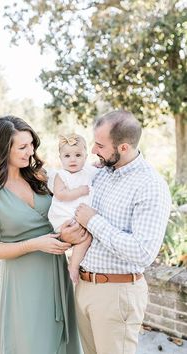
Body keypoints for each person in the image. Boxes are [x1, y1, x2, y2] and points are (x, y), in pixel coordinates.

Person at [0, 116, 82, 354]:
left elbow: (60, 216)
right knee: (32, 343)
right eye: (22, 147)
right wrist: (34, 244)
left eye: (31, 144)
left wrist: (65, 236)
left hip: (56, 270)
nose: (30, 151)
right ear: (1, 150)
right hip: (24, 279)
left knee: (61, 342)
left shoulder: (39, 177)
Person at [61, 111, 171, 354]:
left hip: (117, 294)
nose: (92, 150)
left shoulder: (150, 185)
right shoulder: (100, 174)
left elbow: (143, 252)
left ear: (123, 147)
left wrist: (93, 221)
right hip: (83, 286)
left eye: (100, 145)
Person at [48, 134, 97, 284]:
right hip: (64, 215)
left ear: (85, 156)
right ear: (61, 158)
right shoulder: (60, 175)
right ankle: (74, 266)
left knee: (86, 237)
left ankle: (73, 265)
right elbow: (60, 194)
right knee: (82, 234)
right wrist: (79, 191)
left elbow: (98, 168)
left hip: (80, 215)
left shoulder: (88, 172)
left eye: (78, 155)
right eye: (67, 156)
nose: (73, 159)